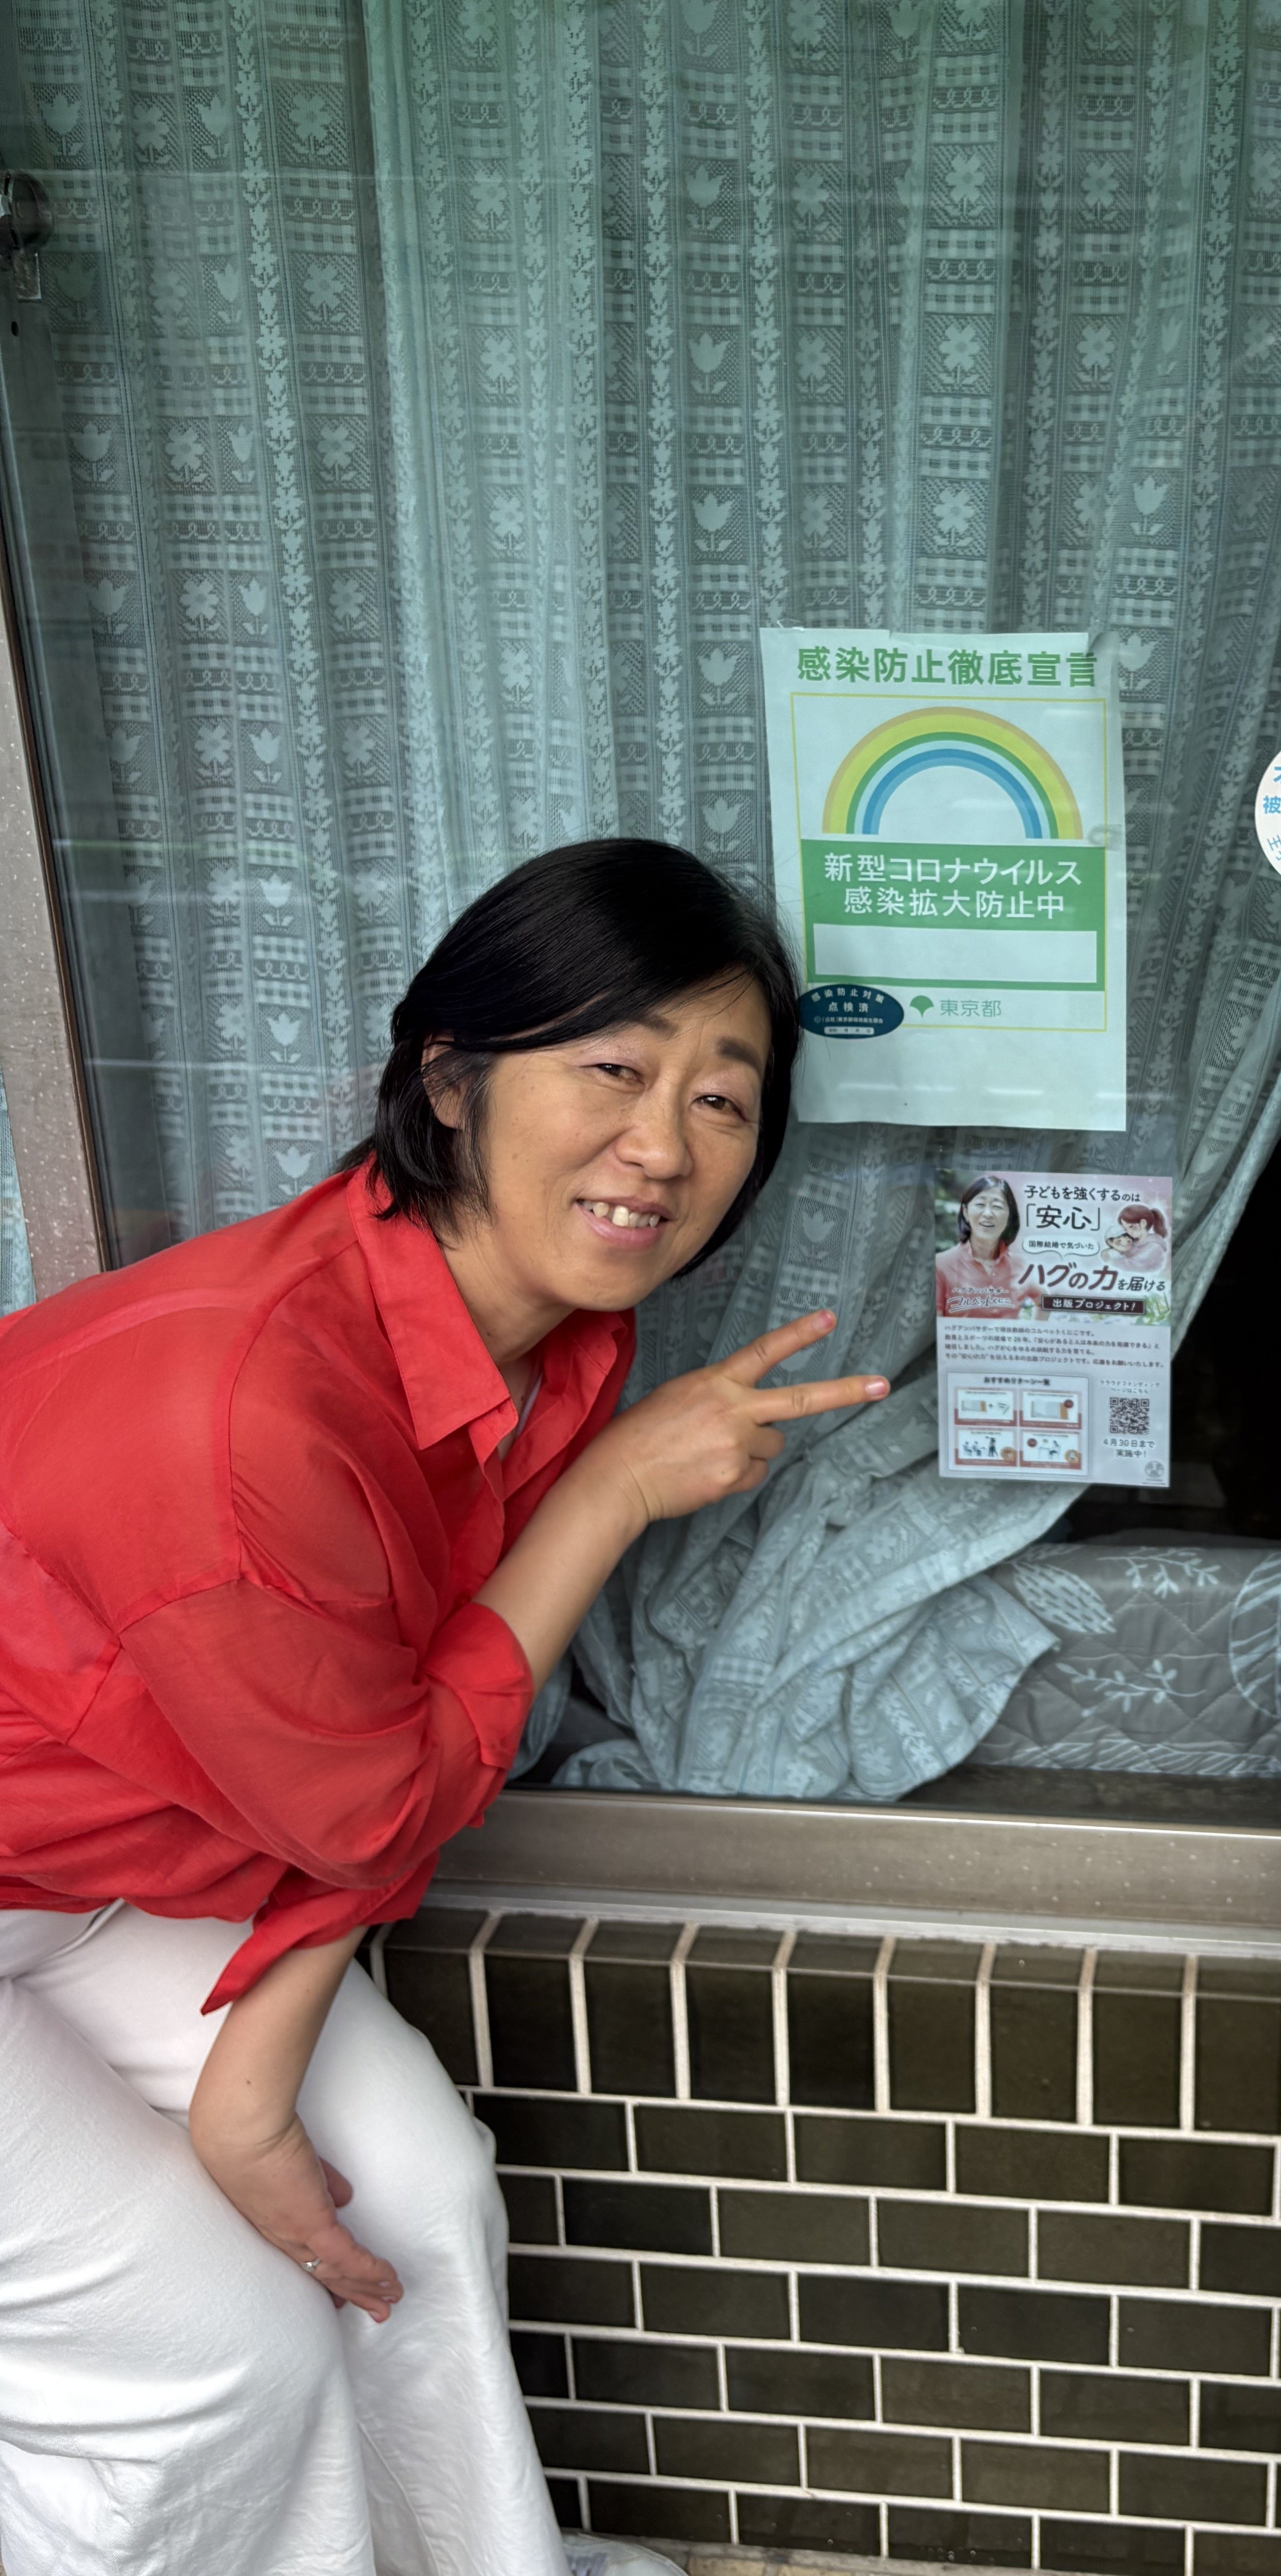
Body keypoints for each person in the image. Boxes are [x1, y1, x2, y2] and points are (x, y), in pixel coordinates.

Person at [0, 839, 891, 2576]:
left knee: (414, 2199)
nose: (665, 1145)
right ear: (451, 1079)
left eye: (723, 1097)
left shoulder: (550, 1338)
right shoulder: (243, 1409)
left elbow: (390, 1749)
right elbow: (381, 1794)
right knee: (209, 2364)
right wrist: (607, 1501)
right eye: (613, 1069)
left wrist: (255, 2080)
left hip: (95, 1873)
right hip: (68, 1870)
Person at [934, 1173, 1033, 1316]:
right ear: (965, 1212)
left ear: (1009, 1217)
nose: (988, 1213)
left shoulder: (1021, 1266)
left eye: (997, 1206)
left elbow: (1043, 1298)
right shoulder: (941, 1264)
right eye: (980, 1204)